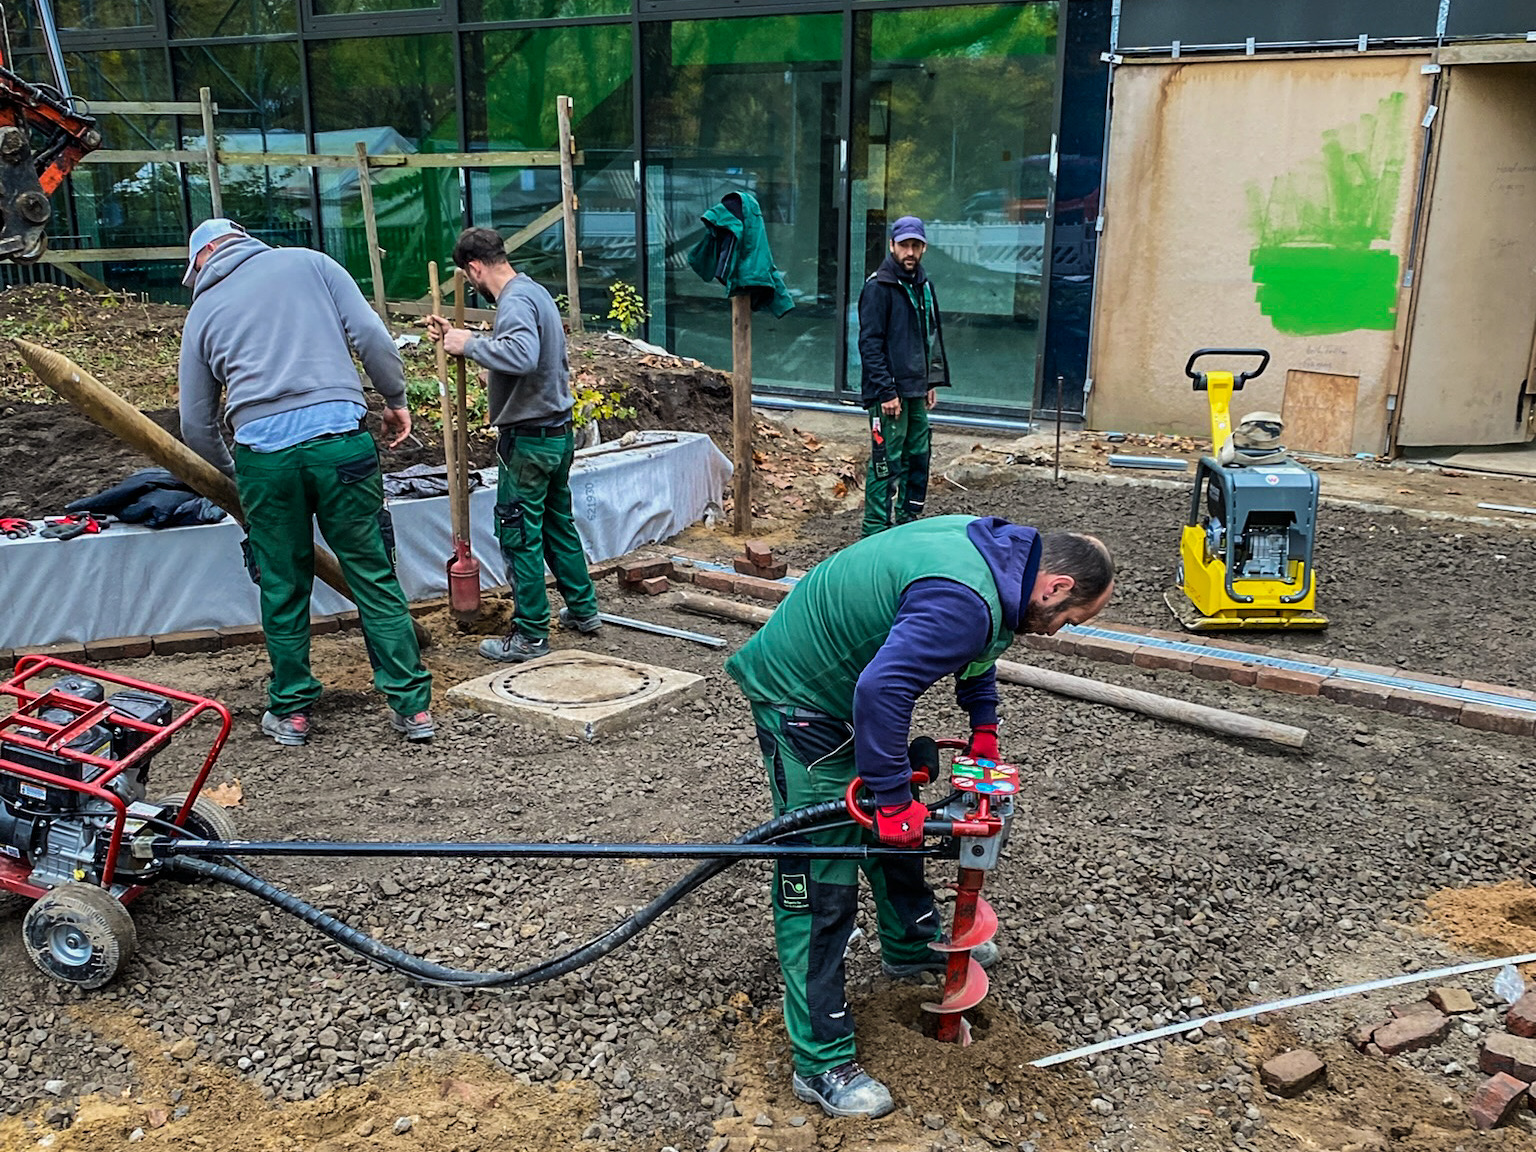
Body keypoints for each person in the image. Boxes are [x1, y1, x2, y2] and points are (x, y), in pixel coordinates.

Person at [724, 516, 1114, 1119]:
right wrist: (892, 798)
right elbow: (883, 689)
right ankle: (820, 1061)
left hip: (847, 687)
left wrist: (984, 727)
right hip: (801, 695)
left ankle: (907, 945)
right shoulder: (967, 597)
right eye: (1070, 618)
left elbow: (982, 651)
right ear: (1057, 586)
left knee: (892, 814)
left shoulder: (1004, 566)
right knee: (819, 879)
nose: (1060, 630)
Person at [177, 218, 435, 747]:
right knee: (370, 572)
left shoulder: (202, 311)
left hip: (265, 460)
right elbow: (372, 337)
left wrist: (238, 474)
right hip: (341, 444)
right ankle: (412, 709)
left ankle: (292, 711)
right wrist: (395, 398)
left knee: (282, 584)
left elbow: (194, 424)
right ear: (243, 237)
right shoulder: (311, 263)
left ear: (200, 260)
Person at [426, 227, 601, 662]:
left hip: (529, 442)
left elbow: (520, 355)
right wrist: (470, 348)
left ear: (474, 267)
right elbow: (528, 355)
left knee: (519, 535)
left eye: (469, 279)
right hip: (556, 435)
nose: (473, 286)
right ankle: (583, 610)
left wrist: (468, 343)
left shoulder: (515, 301)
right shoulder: (534, 292)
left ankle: (530, 637)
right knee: (558, 526)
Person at [857, 215, 949, 538]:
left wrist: (930, 382)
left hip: (916, 389)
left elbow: (928, 336)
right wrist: (886, 392)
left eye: (916, 245)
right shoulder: (878, 287)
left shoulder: (923, 285)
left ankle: (907, 525)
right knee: (886, 463)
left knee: (918, 456)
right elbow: (869, 345)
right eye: (905, 245)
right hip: (889, 394)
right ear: (892, 245)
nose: (910, 252)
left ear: (923, 247)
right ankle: (875, 534)